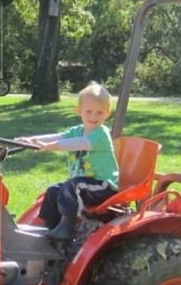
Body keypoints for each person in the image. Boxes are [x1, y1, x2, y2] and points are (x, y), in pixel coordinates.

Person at [16, 82, 120, 241]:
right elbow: (59, 137)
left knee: (72, 185)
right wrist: (33, 139)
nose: (93, 117)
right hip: (84, 184)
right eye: (89, 111)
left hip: (102, 185)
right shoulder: (78, 130)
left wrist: (51, 147)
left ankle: (67, 227)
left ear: (108, 113)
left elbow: (76, 143)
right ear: (79, 111)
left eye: (99, 112)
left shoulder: (101, 135)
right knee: (53, 190)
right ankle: (49, 227)